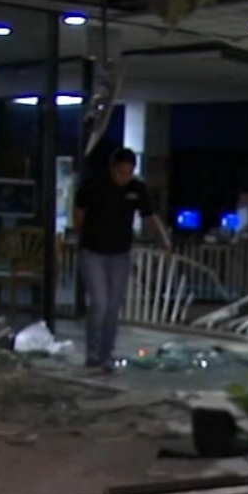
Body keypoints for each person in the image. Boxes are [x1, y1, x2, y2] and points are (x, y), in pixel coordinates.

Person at [72, 148, 171, 371]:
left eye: (128, 173)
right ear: (112, 169)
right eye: (120, 173)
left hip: (120, 254)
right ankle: (93, 352)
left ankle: (106, 355)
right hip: (93, 251)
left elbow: (149, 216)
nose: (123, 178)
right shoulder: (93, 185)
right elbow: (78, 214)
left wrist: (163, 239)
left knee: (113, 306)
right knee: (100, 303)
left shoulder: (136, 188)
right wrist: (83, 236)